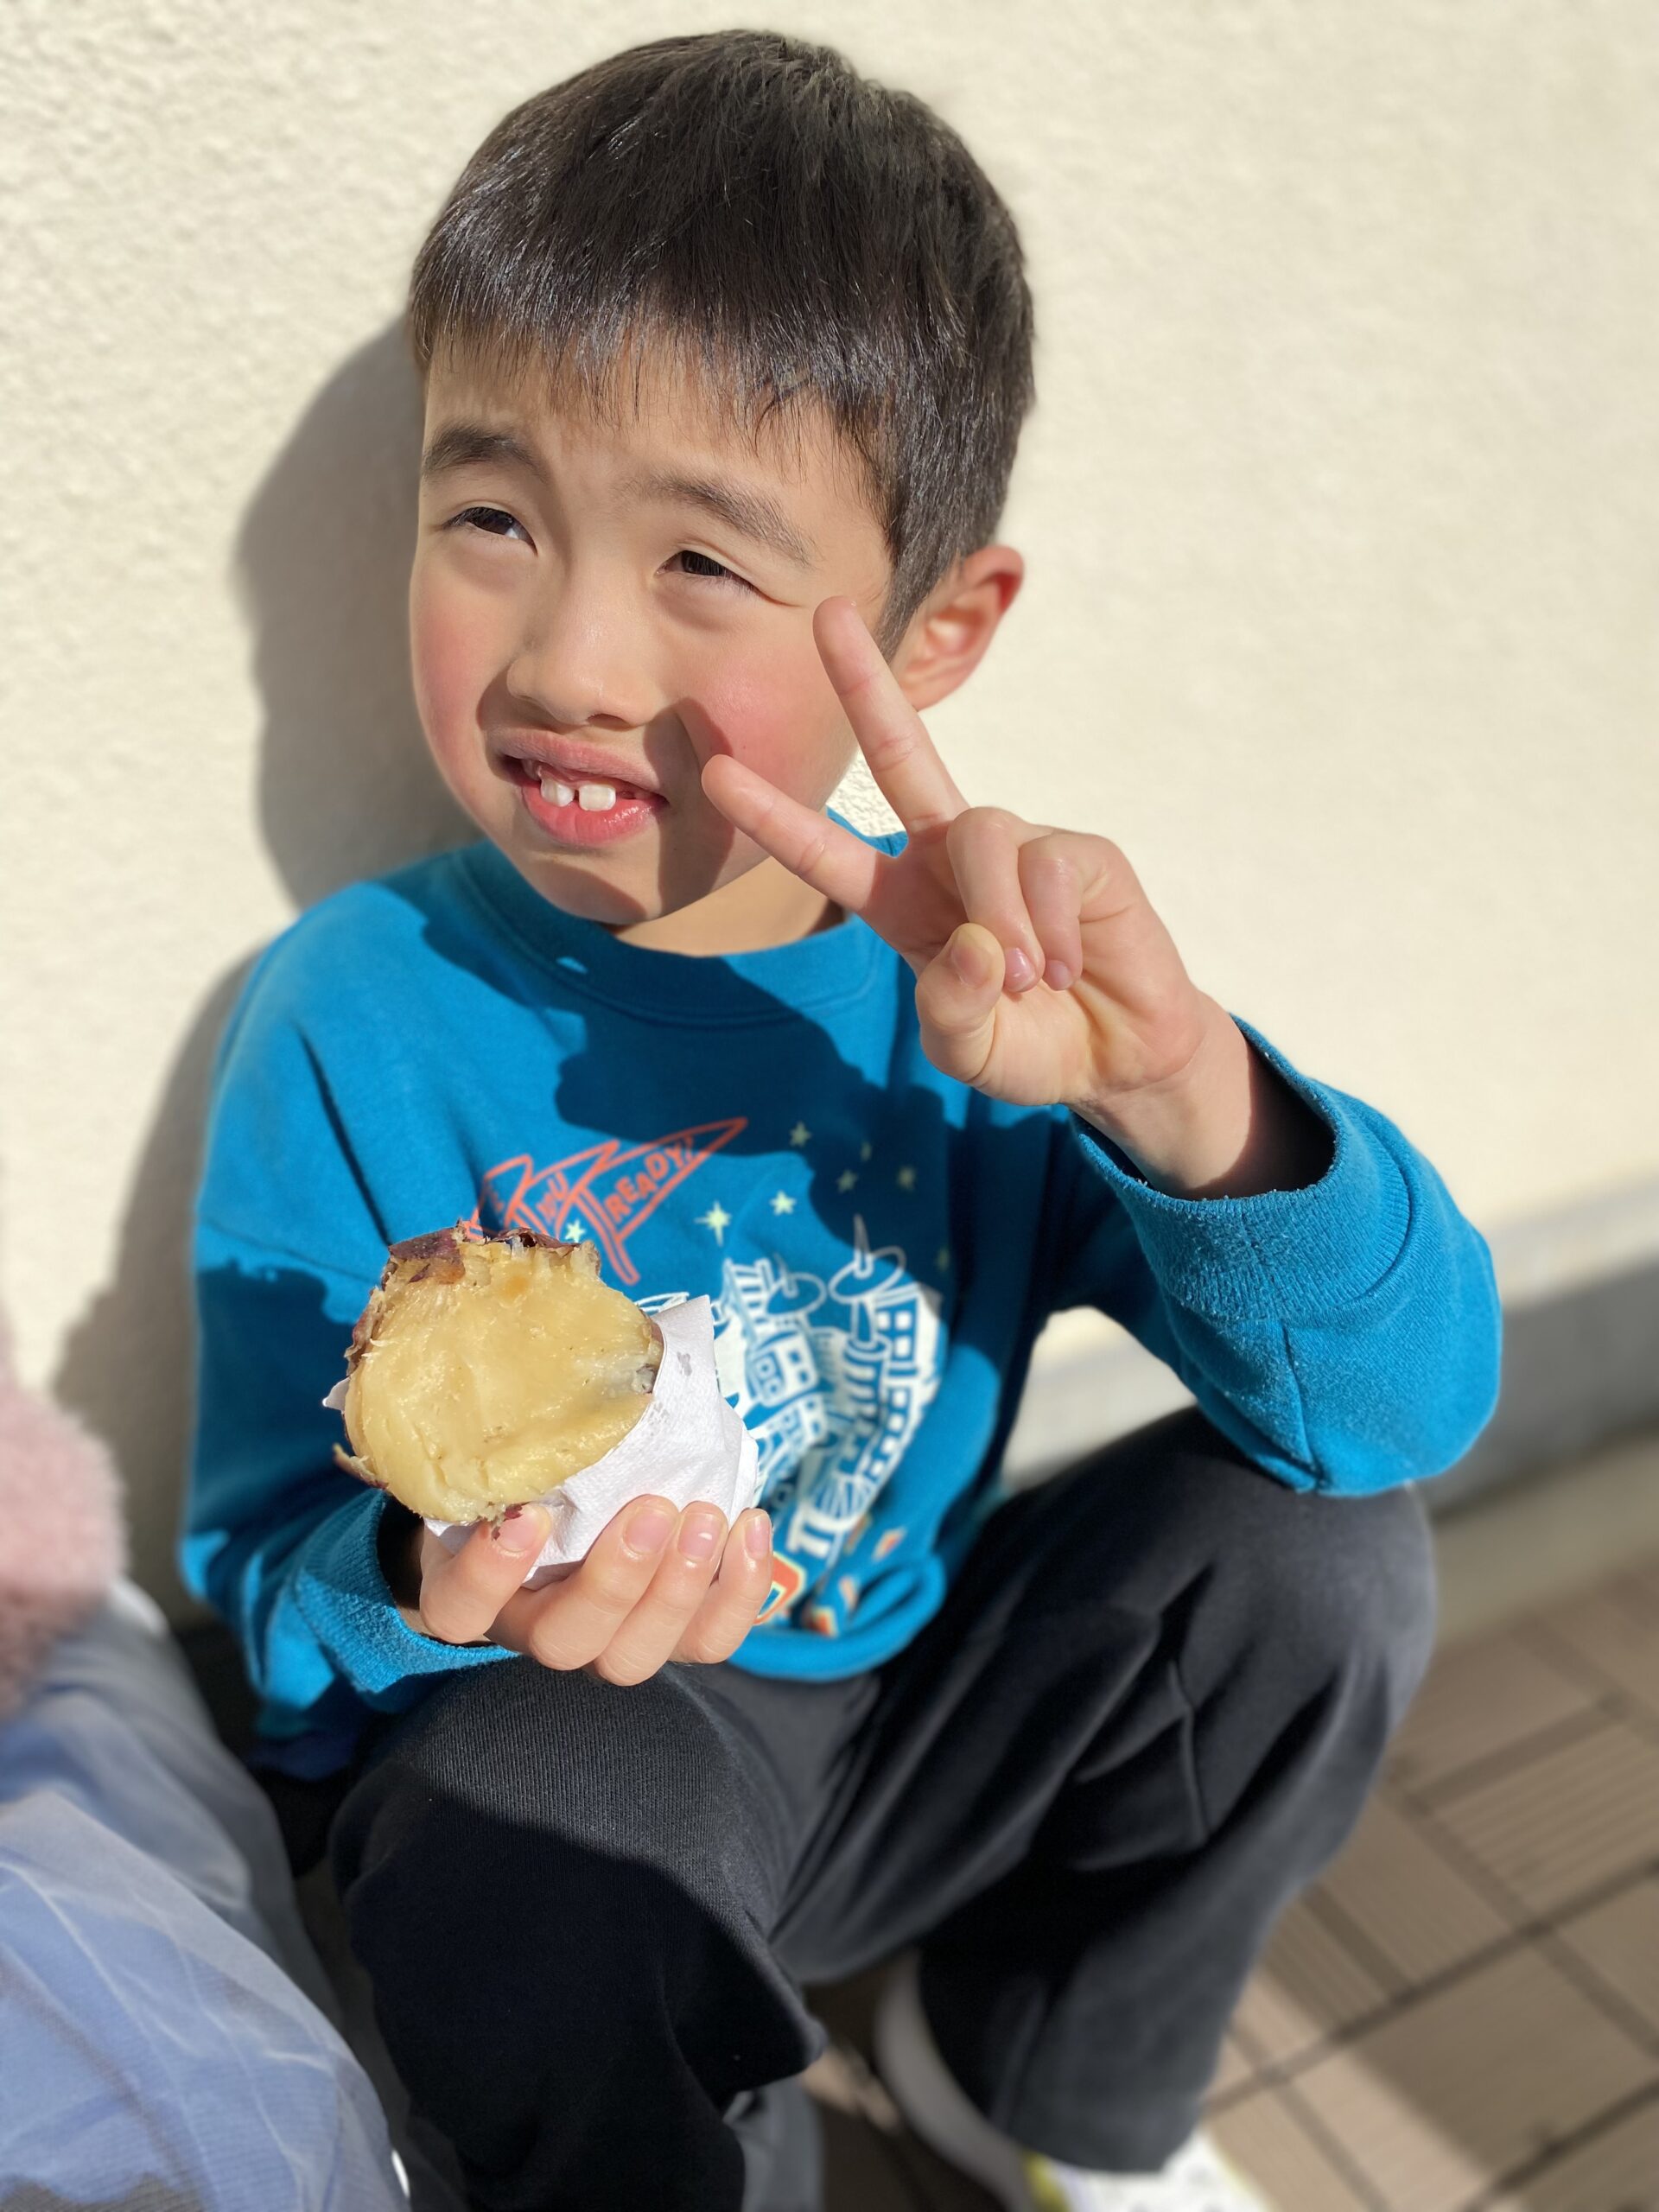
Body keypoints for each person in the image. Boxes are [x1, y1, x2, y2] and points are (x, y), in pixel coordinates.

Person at [181, 31, 1501, 2212]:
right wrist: (431, 1578)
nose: (567, 654)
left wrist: (1180, 1085)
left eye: (703, 562)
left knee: (1325, 1557)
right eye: (491, 515)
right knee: (527, 1818)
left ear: (937, 625)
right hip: (607, 1763)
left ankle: (1040, 2080)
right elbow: (262, 1589)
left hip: (914, 1713)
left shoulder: (983, 993)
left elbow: (1404, 1406)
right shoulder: (355, 1015)